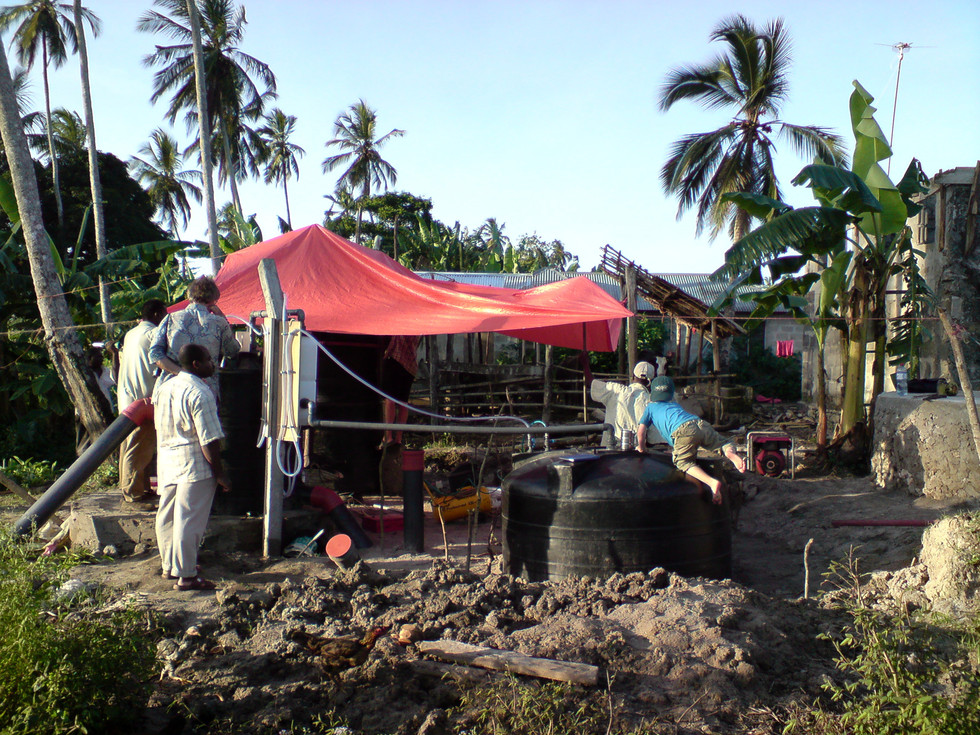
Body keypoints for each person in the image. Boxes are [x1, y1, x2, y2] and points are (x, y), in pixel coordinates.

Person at [153, 343, 229, 591]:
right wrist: (219, 473)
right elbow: (208, 439)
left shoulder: (165, 388)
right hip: (194, 464)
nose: (212, 363)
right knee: (189, 520)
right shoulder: (201, 393)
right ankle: (186, 576)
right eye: (208, 359)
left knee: (167, 516)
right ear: (196, 364)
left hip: (167, 460)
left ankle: (169, 567)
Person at [636, 376, 745, 503]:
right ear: (670, 393)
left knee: (683, 462)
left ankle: (711, 483)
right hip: (699, 423)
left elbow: (641, 432)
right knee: (724, 443)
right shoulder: (674, 404)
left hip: (684, 431)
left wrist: (641, 448)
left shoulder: (650, 407)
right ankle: (729, 453)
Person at [149, 276, 240, 395]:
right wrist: (222, 317)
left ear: (190, 296)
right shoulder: (219, 323)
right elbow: (232, 351)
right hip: (204, 389)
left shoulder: (171, 318)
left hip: (170, 387)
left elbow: (155, 354)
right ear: (213, 300)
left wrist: (181, 372)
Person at [116, 299, 168, 506]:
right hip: (144, 399)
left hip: (128, 398)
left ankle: (139, 487)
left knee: (132, 446)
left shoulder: (131, 333)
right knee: (139, 447)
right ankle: (132, 491)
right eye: (164, 313)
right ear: (157, 315)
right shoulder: (153, 334)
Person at [590, 361, 655, 448]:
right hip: (636, 455)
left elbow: (591, 383)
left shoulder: (616, 390)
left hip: (609, 451)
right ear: (651, 382)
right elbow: (653, 439)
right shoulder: (651, 402)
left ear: (633, 376)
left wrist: (585, 363)